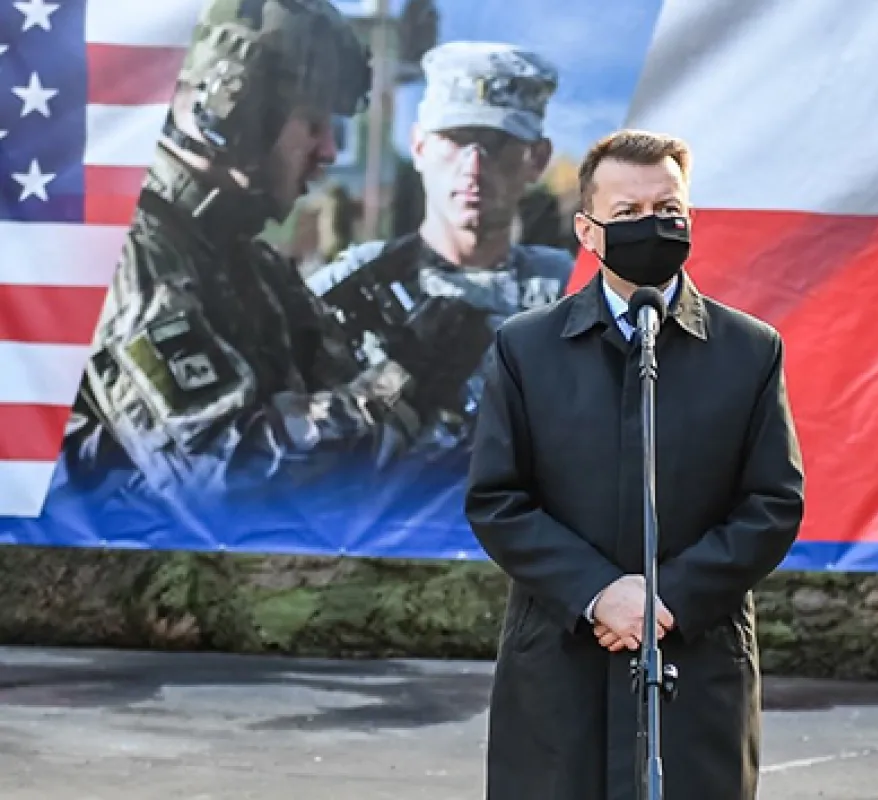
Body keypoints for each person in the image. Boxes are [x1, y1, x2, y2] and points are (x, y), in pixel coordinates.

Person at [464, 129, 805, 800]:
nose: (652, 226)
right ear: (587, 231)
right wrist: (600, 593)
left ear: (690, 219)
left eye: (667, 211)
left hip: (695, 657)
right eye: (628, 214)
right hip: (562, 663)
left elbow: (772, 504)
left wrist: (665, 599)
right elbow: (498, 499)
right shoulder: (526, 349)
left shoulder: (748, 350)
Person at [66, 0, 431, 500]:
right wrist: (402, 388)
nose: (328, 151)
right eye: (314, 124)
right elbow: (222, 471)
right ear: (238, 112)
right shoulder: (127, 248)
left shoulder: (241, 257)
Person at [307, 41, 573, 455]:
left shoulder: (573, 295)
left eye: (497, 143)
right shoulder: (354, 286)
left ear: (537, 160)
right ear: (419, 147)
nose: (474, 166)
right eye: (455, 139)